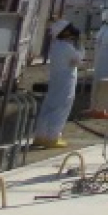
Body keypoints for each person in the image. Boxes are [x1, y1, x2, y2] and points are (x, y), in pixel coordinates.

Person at [32, 20, 83, 148]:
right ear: (63, 32)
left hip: (56, 81)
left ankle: (40, 135)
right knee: (61, 108)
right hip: (66, 81)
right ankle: (52, 137)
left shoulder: (56, 46)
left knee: (49, 107)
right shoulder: (67, 47)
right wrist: (80, 45)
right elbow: (78, 60)